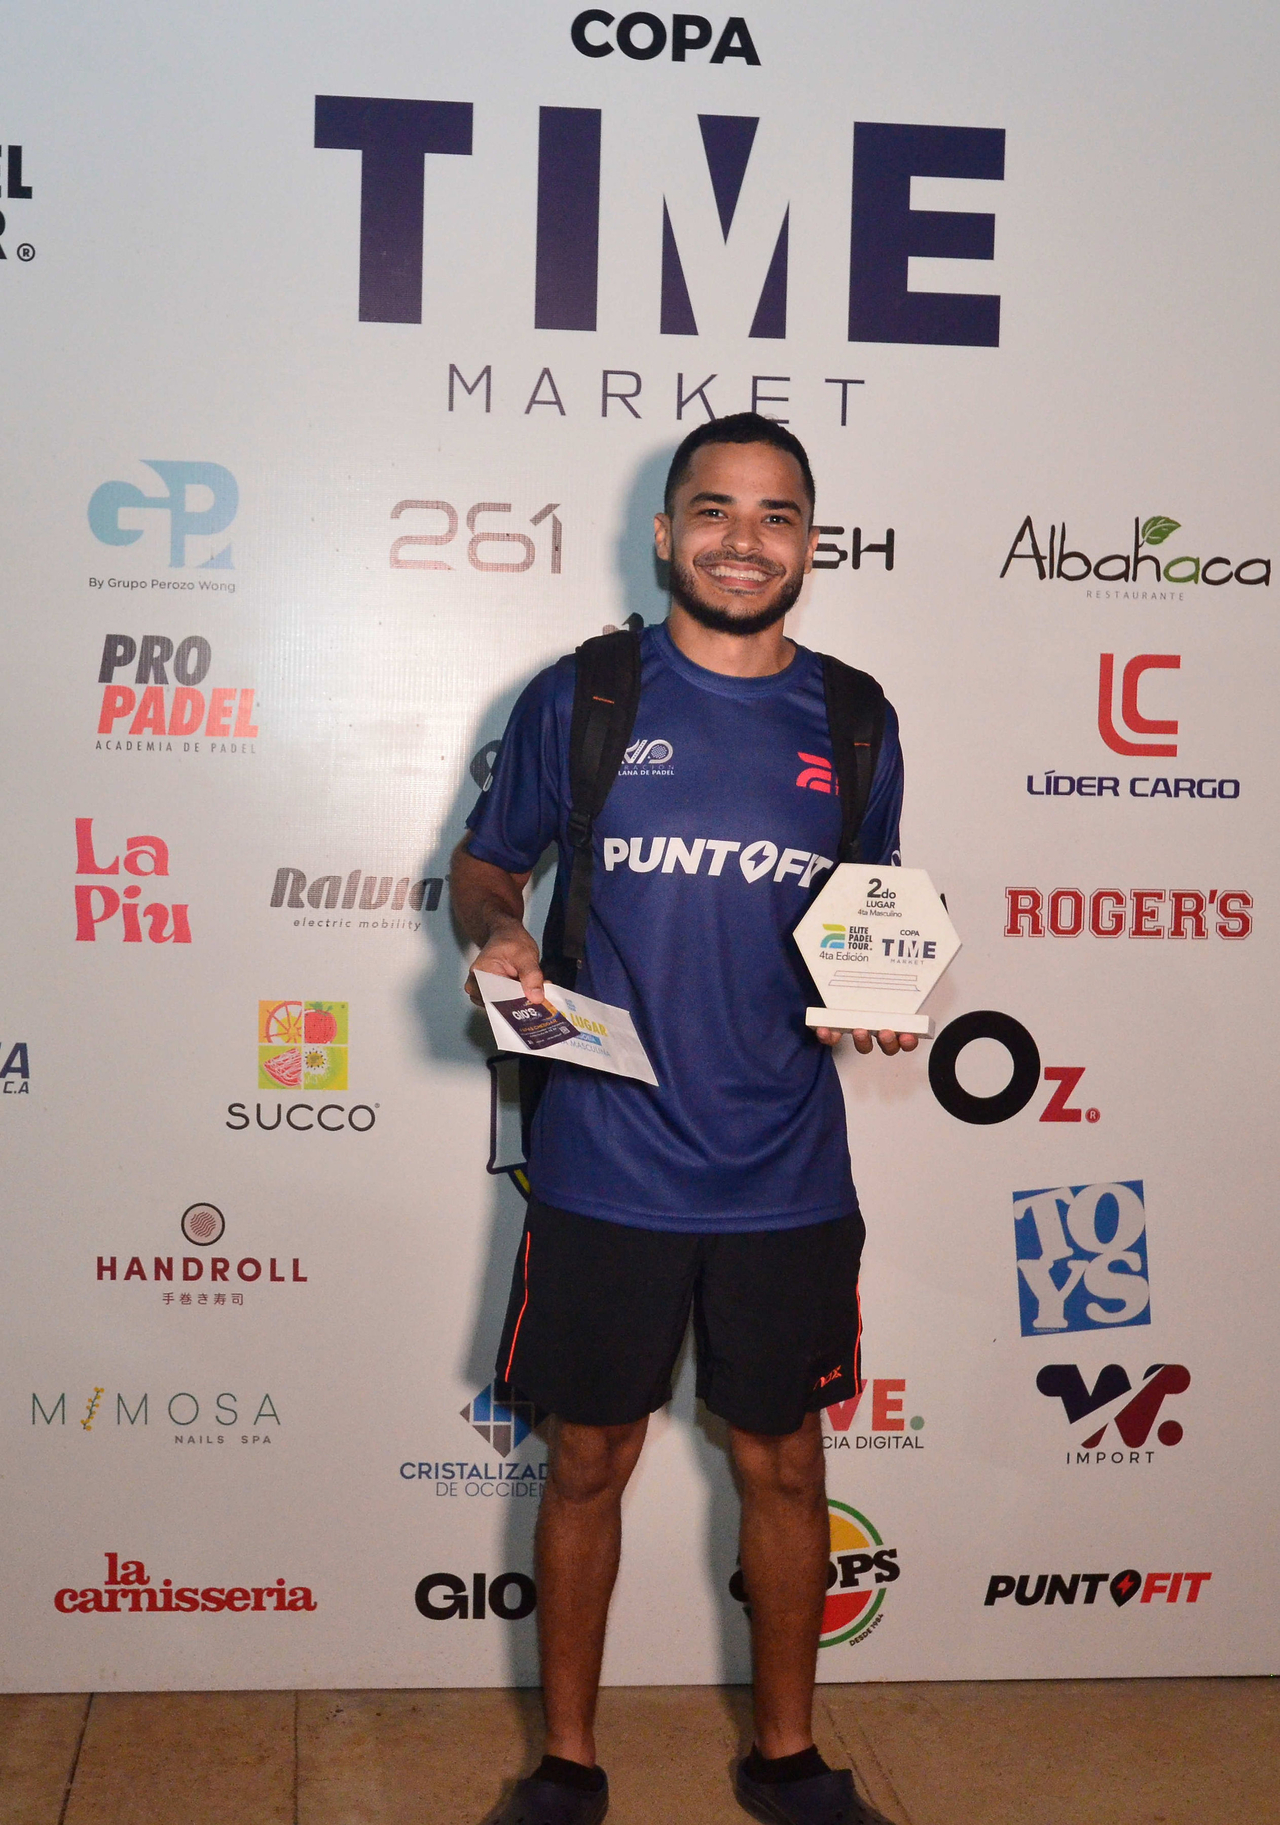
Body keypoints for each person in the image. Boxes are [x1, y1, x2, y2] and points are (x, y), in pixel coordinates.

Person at [451, 412, 914, 1825]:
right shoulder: (585, 696)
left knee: (787, 1461)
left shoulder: (857, 718)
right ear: (666, 534)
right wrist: (499, 931)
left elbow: (871, 915)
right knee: (588, 1458)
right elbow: (484, 863)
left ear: (811, 545)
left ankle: (787, 1756)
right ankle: (568, 1761)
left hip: (785, 1170)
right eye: (714, 510)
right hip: (608, 1162)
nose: (742, 540)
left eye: (777, 516)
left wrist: (873, 993)